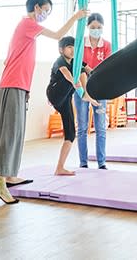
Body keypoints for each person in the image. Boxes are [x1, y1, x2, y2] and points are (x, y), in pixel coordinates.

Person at [0, 0, 87, 205]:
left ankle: (9, 175)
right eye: (46, 11)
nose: (46, 15)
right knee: (10, 132)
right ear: (36, 7)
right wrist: (76, 17)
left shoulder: (27, 30)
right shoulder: (28, 24)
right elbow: (59, 34)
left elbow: (11, 57)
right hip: (13, 84)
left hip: (19, 85)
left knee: (17, 132)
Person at [47, 37, 98, 175]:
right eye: (69, 47)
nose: (72, 50)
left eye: (74, 47)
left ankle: (60, 167)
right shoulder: (60, 61)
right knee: (78, 70)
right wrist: (76, 84)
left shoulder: (76, 62)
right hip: (55, 93)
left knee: (70, 135)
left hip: (66, 99)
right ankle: (85, 95)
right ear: (61, 50)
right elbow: (66, 73)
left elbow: (91, 70)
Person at [75, 13, 111, 169]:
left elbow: (109, 64)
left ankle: (101, 162)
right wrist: (87, 69)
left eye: (99, 27)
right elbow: (77, 64)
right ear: (88, 27)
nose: (96, 30)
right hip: (82, 89)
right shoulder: (81, 43)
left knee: (101, 127)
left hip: (100, 90)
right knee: (82, 127)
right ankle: (83, 163)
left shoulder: (107, 45)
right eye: (93, 27)